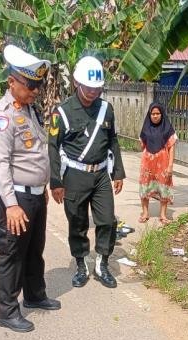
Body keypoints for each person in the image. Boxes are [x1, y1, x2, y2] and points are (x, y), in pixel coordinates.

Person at [0, 45, 61, 333]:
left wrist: (45, 186)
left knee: (33, 250)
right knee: (11, 253)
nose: (35, 92)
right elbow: (0, 164)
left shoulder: (29, 111)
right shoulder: (1, 116)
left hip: (33, 195)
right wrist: (12, 204)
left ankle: (34, 295)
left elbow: (37, 152)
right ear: (12, 82)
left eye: (38, 86)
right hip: (13, 197)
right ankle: (7, 310)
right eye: (30, 86)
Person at [48, 56, 126, 289]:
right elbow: (52, 147)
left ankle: (102, 264)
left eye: (97, 88)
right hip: (75, 175)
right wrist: (55, 182)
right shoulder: (61, 112)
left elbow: (113, 141)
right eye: (88, 87)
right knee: (78, 222)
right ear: (76, 83)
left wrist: (118, 173)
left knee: (107, 220)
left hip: (101, 174)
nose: (93, 92)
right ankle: (81, 263)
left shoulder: (107, 109)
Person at [138, 103, 177, 224]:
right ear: (149, 115)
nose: (155, 116)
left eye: (157, 113)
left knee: (164, 187)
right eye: (153, 114)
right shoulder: (145, 128)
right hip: (147, 163)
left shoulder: (168, 128)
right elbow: (142, 145)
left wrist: (170, 166)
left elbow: (171, 147)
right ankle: (145, 213)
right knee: (145, 188)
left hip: (163, 163)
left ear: (162, 114)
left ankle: (163, 215)